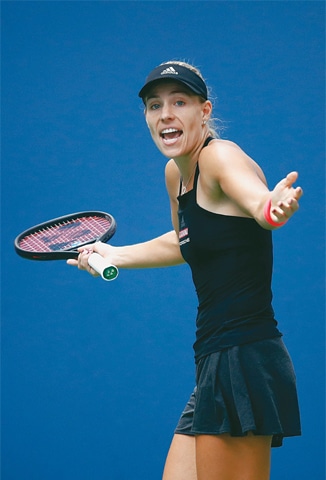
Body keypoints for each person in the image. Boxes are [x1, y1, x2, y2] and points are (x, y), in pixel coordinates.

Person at [67, 61, 303, 480]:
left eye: (180, 102)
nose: (165, 114)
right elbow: (187, 240)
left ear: (204, 111)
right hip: (214, 358)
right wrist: (115, 253)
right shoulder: (175, 173)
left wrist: (272, 207)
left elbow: (258, 205)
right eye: (154, 105)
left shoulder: (220, 156)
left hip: (244, 356)